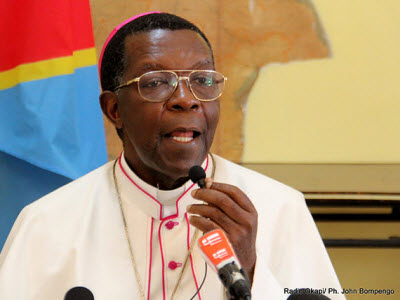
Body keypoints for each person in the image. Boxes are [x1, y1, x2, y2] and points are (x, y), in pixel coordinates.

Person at [0, 12, 344, 300]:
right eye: (156, 82)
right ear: (114, 109)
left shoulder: (281, 207)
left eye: (202, 80)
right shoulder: (47, 223)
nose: (186, 99)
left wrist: (251, 270)